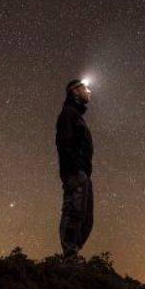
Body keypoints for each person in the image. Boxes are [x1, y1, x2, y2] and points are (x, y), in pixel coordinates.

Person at [56, 78, 94, 257]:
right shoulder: (68, 114)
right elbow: (64, 143)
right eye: (85, 87)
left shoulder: (77, 116)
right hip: (75, 172)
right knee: (74, 211)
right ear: (74, 91)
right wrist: (75, 170)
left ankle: (74, 254)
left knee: (86, 218)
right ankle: (69, 255)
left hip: (84, 174)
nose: (89, 91)